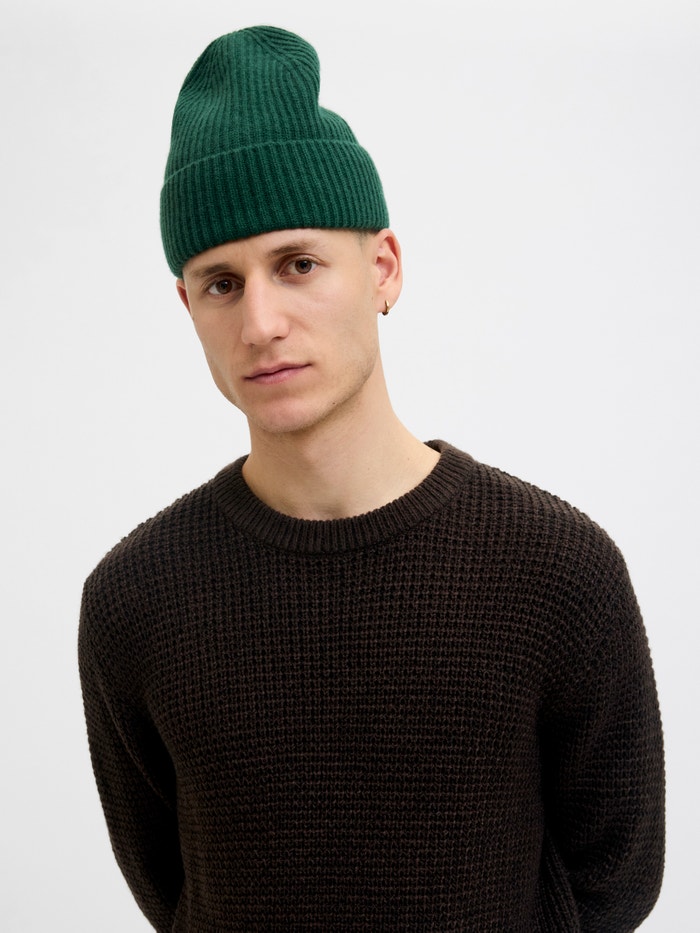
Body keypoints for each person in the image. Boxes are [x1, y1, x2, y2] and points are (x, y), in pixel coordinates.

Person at [78, 25, 664, 932]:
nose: (262, 322)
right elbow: (177, 889)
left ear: (383, 268)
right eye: (221, 283)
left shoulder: (556, 571)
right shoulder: (135, 600)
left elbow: (614, 881)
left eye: (298, 264)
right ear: (187, 304)